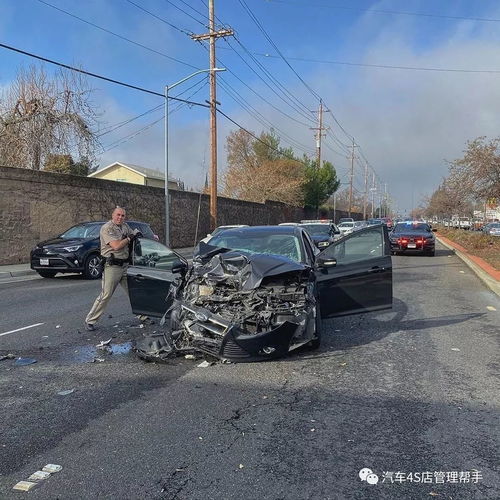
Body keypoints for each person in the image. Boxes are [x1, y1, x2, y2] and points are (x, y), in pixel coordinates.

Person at [85, 206, 139, 331]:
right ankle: (90, 320)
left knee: (134, 292)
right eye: (118, 215)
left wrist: (139, 236)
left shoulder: (125, 226)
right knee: (106, 294)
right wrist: (130, 237)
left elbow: (133, 235)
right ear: (113, 215)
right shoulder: (107, 228)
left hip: (125, 265)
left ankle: (143, 316)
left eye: (122, 215)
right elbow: (116, 246)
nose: (120, 217)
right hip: (112, 266)